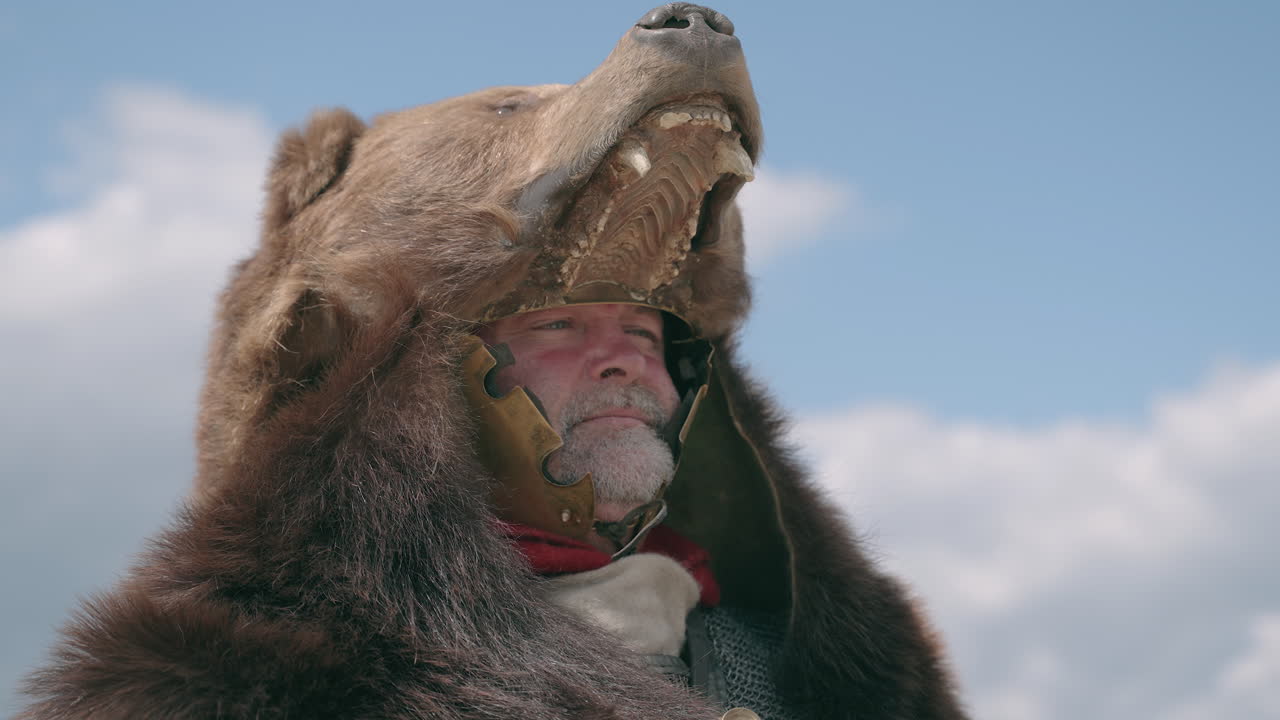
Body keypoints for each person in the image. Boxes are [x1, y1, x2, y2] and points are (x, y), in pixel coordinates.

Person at [21, 4, 969, 719]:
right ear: (428, 387)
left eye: (647, 335)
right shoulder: (225, 693)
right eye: (558, 328)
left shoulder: (825, 686)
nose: (623, 362)